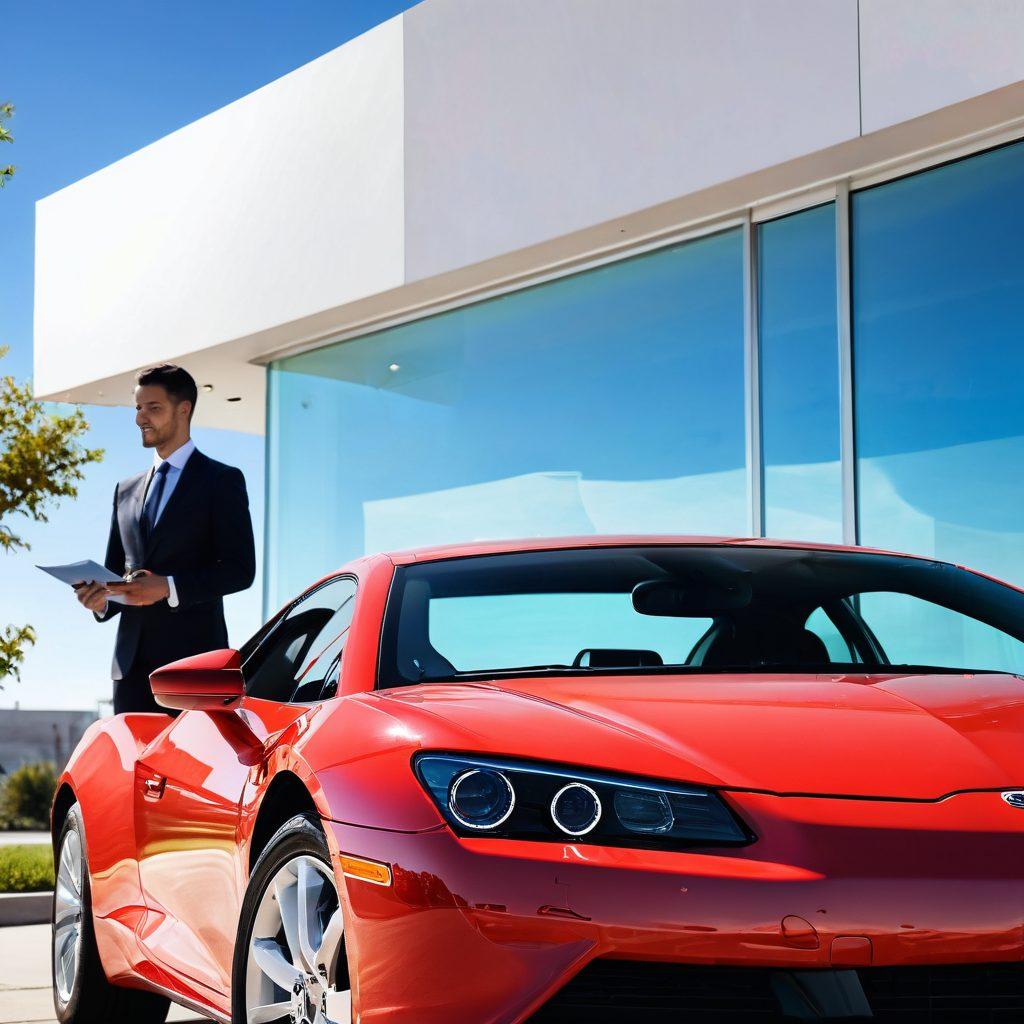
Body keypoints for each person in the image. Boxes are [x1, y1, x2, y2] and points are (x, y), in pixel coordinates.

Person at [74, 364, 256, 714]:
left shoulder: (221, 480)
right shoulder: (124, 490)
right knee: (133, 767)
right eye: (138, 408)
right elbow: (114, 574)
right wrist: (101, 600)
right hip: (130, 671)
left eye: (153, 408)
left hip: (194, 668)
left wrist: (169, 587)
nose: (141, 418)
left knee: (194, 767)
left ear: (183, 409)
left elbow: (239, 570)